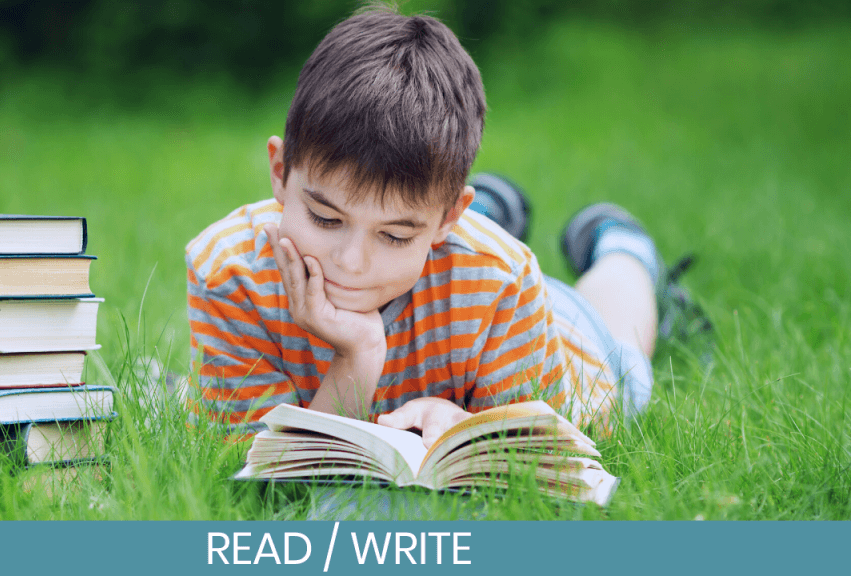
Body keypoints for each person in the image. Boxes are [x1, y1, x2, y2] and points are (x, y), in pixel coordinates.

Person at [185, 6, 706, 446]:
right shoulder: (229, 274)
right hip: (450, 277)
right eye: (325, 218)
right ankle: (489, 209)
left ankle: (620, 242)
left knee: (623, 349)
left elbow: (547, 452)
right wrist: (358, 357)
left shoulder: (501, 281)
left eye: (394, 234)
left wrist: (472, 429)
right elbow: (263, 468)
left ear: (447, 217)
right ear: (280, 173)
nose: (350, 263)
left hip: (533, 328)